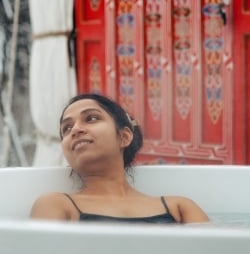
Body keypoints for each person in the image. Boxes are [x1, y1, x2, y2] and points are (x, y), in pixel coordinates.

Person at [30, 93, 210, 224]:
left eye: (91, 118)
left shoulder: (179, 207)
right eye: (66, 129)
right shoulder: (56, 205)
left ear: (124, 137)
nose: (76, 129)